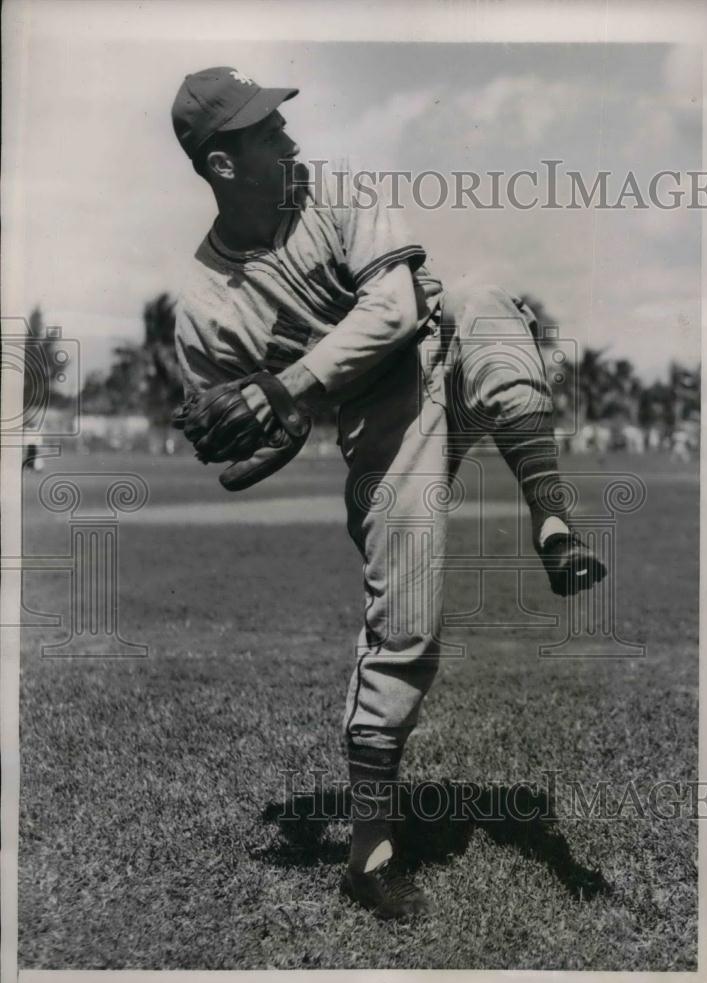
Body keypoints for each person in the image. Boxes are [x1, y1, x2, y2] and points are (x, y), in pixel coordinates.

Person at [170, 67, 606, 920]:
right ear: (222, 166)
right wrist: (269, 427)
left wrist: (284, 389)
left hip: (442, 350)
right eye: (264, 133)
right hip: (381, 428)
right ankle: (368, 857)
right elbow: (235, 436)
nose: (287, 139)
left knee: (482, 301)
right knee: (406, 632)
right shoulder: (203, 308)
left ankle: (552, 520)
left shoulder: (333, 187)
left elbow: (397, 309)